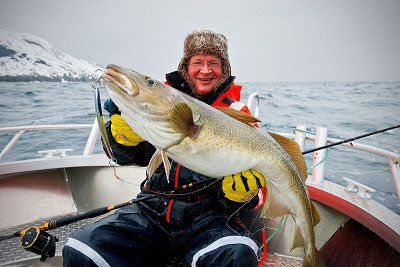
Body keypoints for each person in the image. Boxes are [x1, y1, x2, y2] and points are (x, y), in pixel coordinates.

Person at [63, 30, 266, 267]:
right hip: (153, 208)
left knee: (236, 253)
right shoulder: (160, 100)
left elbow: (260, 186)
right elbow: (127, 157)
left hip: (212, 216)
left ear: (225, 69)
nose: (205, 70)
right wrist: (122, 140)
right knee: (83, 248)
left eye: (214, 63)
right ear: (185, 66)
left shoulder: (239, 115)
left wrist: (243, 195)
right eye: (197, 62)